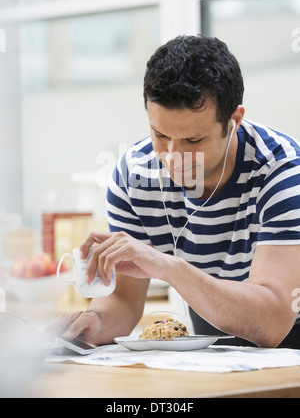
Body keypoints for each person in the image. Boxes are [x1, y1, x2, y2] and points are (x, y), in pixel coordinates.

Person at [50, 35, 300, 348]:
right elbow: (125, 303)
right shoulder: (134, 176)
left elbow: (273, 324)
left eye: (193, 141)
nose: (173, 157)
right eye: (160, 134)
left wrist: (166, 266)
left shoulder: (282, 170)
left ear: (234, 121)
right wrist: (94, 323)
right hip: (215, 351)